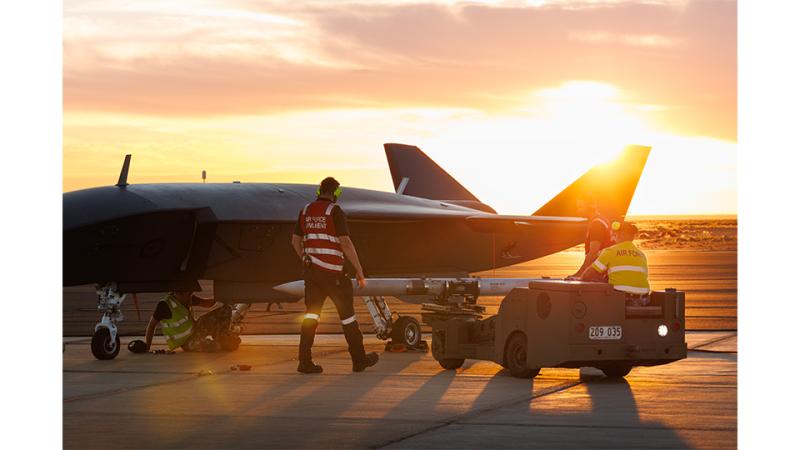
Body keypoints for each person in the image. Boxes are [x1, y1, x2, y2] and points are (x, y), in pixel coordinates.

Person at [291, 177, 379, 374]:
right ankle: (359, 360)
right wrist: (359, 269)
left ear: (319, 190)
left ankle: (304, 362)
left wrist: (306, 259)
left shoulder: (305, 211)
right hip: (334, 275)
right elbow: (345, 242)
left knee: (310, 317)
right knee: (347, 317)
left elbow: (295, 241)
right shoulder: (335, 212)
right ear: (336, 193)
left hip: (312, 275)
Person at [132, 291, 237, 353]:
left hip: (196, 330)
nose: (188, 296)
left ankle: (223, 336)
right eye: (186, 294)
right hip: (186, 342)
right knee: (214, 347)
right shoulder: (164, 305)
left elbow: (207, 304)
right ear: (176, 292)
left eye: (190, 293)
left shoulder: (188, 297)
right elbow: (152, 325)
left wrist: (220, 297)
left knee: (226, 309)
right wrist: (147, 346)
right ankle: (222, 343)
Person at [580, 221, 651, 306]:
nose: (613, 237)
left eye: (615, 234)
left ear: (620, 234)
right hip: (644, 300)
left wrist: (579, 279)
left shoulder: (610, 251)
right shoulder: (641, 254)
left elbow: (588, 275)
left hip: (623, 299)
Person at [567, 197, 613, 280]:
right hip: (605, 270)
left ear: (590, 207)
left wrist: (579, 274)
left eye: (580, 207)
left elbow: (593, 252)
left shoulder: (597, 224)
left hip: (600, 272)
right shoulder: (603, 220)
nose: (578, 210)